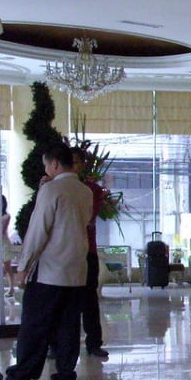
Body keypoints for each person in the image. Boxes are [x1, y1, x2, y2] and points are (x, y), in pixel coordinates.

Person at [4, 143, 93, 380]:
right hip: (76, 270)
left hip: (51, 271)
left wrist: (23, 266)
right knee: (68, 325)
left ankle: (22, 376)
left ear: (54, 164)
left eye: (46, 165)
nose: (46, 170)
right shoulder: (85, 191)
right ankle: (65, 376)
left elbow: (38, 231)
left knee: (35, 324)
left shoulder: (51, 190)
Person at [71, 146, 109, 359]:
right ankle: (58, 345)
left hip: (87, 251)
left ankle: (94, 343)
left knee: (89, 300)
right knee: (64, 301)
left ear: (83, 165)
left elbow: (87, 217)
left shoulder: (91, 190)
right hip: (65, 253)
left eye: (76, 162)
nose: (72, 166)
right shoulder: (53, 188)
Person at [0, 195, 15, 296]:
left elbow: (2, 231)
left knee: (7, 267)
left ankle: (11, 288)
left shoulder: (6, 216)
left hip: (4, 243)